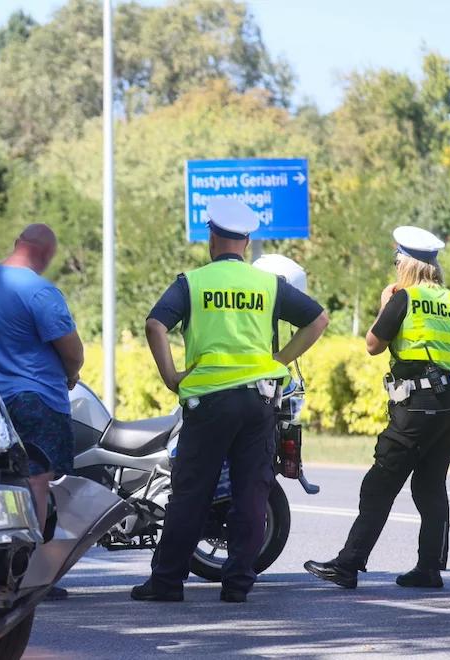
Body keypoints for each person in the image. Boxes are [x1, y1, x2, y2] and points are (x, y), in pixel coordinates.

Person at [133, 198, 328, 603]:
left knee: (191, 493)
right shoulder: (268, 284)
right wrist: (279, 361)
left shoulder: (193, 282)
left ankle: (167, 583)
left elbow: (155, 324)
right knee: (251, 493)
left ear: (212, 238)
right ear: (247, 241)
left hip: (208, 404)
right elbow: (318, 320)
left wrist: (172, 377)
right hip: (259, 403)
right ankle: (237, 584)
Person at [305, 226, 450, 590]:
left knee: (379, 485)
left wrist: (384, 304)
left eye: (396, 260)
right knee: (430, 488)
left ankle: (348, 565)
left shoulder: (403, 299)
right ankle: (429, 569)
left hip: (416, 409)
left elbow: (373, 345)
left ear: (406, 263)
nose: (395, 267)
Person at [0, 224, 84, 599]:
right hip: (37, 397)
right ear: (46, 254)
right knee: (37, 481)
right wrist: (71, 374)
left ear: (18, 243)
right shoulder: (40, 291)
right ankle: (30, 575)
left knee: (4, 482)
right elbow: (72, 350)